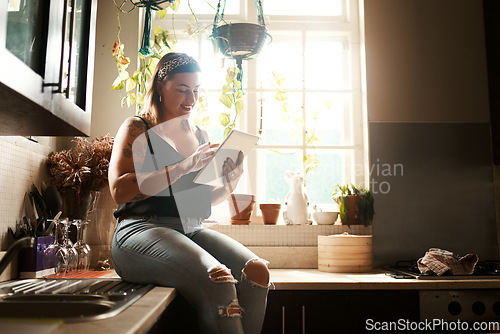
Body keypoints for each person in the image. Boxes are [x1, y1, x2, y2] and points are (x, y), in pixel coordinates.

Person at [108, 52, 270, 334]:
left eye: (195, 91)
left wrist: (230, 182)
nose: (191, 99)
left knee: (256, 272)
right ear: (160, 87)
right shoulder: (138, 128)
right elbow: (119, 190)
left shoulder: (200, 135)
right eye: (182, 90)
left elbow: (199, 203)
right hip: (138, 231)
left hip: (189, 229)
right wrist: (182, 167)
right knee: (218, 277)